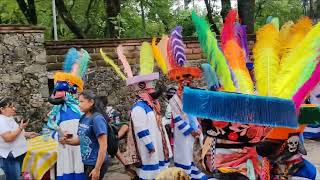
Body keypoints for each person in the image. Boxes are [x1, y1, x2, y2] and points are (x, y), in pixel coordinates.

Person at [47, 48, 89, 180]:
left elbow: (87, 125)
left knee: (80, 170)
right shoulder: (55, 111)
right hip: (64, 147)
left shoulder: (80, 107)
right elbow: (48, 130)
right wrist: (57, 136)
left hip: (79, 147)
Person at [61, 91, 108, 180]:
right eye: (79, 101)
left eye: (82, 101)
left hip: (96, 163)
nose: (79, 104)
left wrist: (97, 169)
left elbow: (103, 146)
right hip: (87, 162)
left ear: (91, 102)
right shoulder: (83, 118)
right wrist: (66, 141)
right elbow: (80, 139)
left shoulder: (97, 119)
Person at [0, 97, 38, 180]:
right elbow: (8, 138)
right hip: (10, 156)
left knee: (18, 176)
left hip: (17, 154)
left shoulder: (9, 118)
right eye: (10, 106)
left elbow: (14, 132)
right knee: (14, 177)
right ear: (2, 109)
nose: (14, 108)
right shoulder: (1, 120)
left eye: (13, 106)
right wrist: (21, 127)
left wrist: (27, 134)